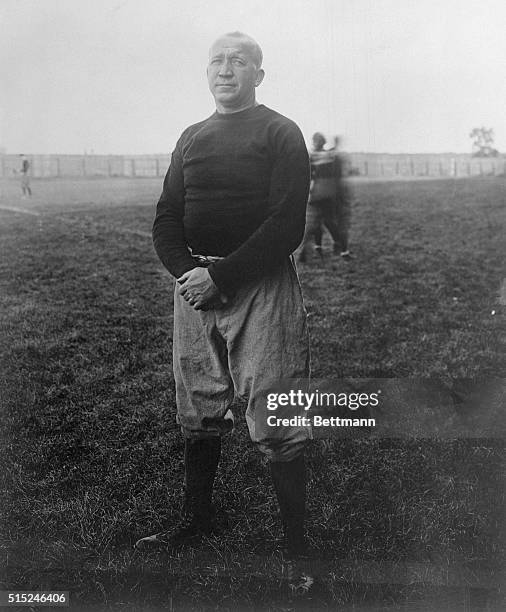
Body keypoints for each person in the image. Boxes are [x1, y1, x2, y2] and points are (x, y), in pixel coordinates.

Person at [135, 32, 313, 592]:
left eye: (239, 61)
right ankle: (196, 520)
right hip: (193, 288)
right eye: (217, 61)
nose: (226, 69)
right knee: (197, 406)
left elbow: (287, 224)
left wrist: (222, 275)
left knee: (276, 412)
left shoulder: (280, 132)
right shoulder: (190, 137)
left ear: (259, 74)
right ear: (206, 72)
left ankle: (299, 552)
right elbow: (166, 216)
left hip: (259, 285)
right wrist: (187, 274)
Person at [298, 133, 352, 262]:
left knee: (315, 223)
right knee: (329, 221)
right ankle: (340, 247)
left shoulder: (311, 156)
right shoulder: (329, 155)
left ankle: (308, 248)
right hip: (328, 194)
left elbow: (308, 173)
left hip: (315, 193)